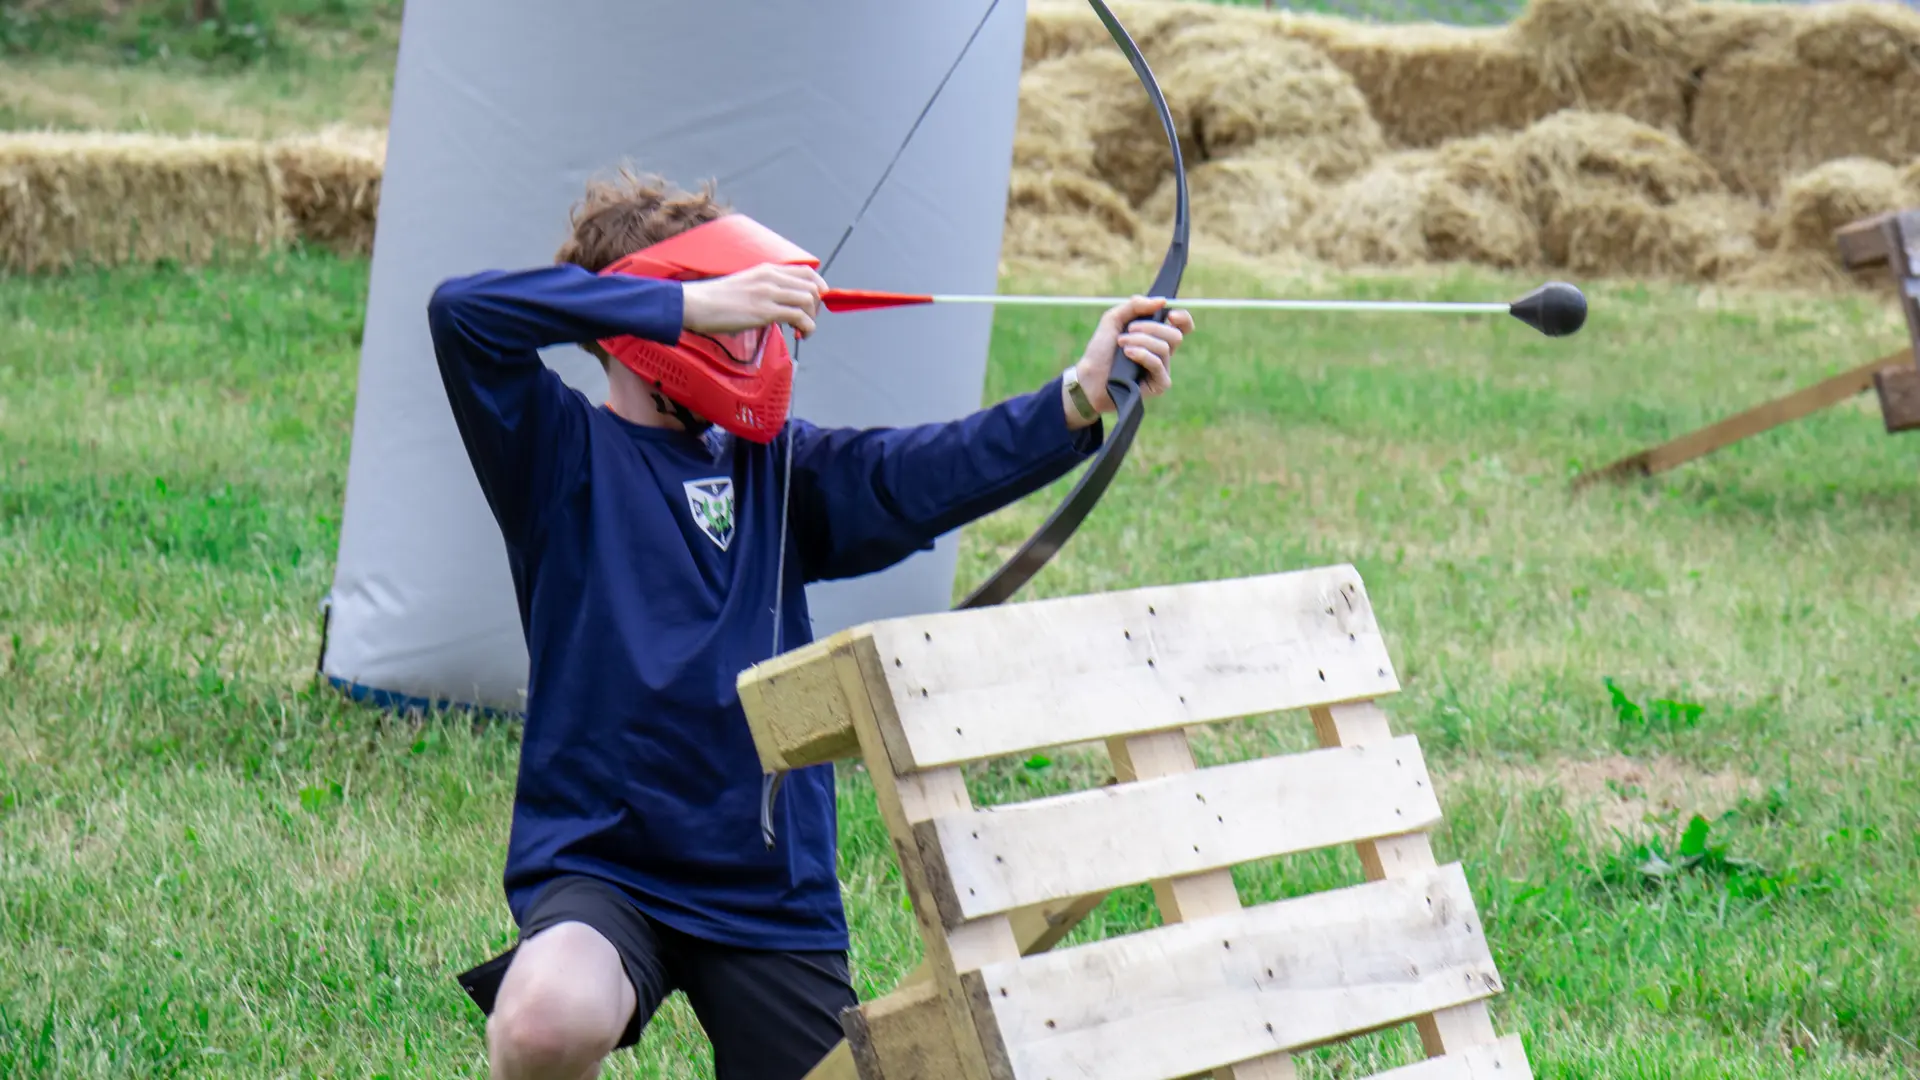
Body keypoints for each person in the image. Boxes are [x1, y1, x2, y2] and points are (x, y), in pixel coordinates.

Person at [427, 167, 1195, 1080]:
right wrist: (683, 309)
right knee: (546, 1020)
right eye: (729, 309)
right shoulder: (561, 454)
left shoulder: (777, 468)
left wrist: (1076, 397)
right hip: (608, 864)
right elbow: (460, 312)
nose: (749, 334)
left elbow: (915, 474)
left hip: (766, 887)